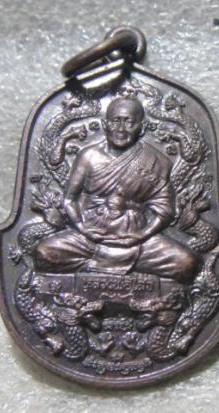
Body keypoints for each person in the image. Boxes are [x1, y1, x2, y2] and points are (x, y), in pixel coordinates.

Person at [34, 96, 199, 283]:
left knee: (187, 263)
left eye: (128, 122)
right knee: (44, 253)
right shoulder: (89, 156)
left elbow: (165, 210)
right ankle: (118, 270)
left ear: (142, 128)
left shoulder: (156, 161)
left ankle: (99, 268)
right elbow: (69, 199)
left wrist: (142, 235)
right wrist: (82, 227)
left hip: (137, 240)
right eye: (115, 121)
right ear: (105, 125)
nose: (121, 129)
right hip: (90, 237)